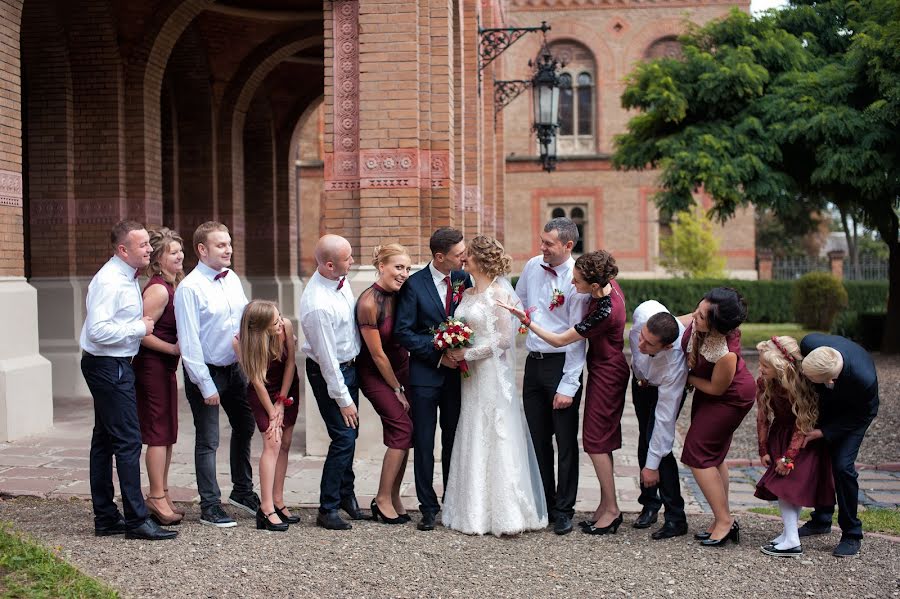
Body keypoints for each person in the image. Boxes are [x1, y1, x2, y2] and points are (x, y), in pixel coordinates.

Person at [503, 250, 629, 536]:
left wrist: (527, 322)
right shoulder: (605, 286)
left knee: (593, 441)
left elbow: (563, 340)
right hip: (590, 368)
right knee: (571, 440)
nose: (573, 285)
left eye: (578, 281)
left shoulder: (604, 310)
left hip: (606, 373)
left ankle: (606, 509)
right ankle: (600, 506)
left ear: (594, 286)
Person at [442, 235, 547, 536]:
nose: (464, 258)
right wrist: (452, 345)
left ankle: (505, 512)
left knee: (494, 431)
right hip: (470, 377)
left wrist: (468, 353)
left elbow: (503, 340)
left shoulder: (500, 294)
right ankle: (471, 509)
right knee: (473, 428)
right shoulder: (467, 292)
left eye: (469, 254)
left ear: (481, 259)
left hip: (489, 372)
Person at [80, 220, 177, 541]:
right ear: (123, 250)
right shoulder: (110, 282)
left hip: (113, 365)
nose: (150, 249)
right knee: (128, 441)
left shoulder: (124, 278)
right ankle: (137, 520)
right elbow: (96, 331)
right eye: (143, 245)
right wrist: (139, 328)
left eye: (149, 245)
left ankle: (107, 518)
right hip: (109, 367)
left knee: (105, 441)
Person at [175, 221, 258, 527]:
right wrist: (206, 385)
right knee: (208, 440)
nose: (228, 249)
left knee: (245, 426)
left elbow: (242, 322)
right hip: (206, 372)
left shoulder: (232, 278)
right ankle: (210, 504)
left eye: (229, 243)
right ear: (202, 249)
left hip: (235, 369)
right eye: (221, 245)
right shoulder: (189, 289)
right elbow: (189, 342)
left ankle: (242, 491)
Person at [514, 217, 587, 535]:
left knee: (566, 441)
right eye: (541, 241)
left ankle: (564, 509)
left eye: (548, 243)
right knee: (537, 438)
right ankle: (544, 501)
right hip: (534, 364)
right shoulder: (532, 266)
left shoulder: (577, 279)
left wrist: (569, 385)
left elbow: (576, 337)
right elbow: (520, 303)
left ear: (568, 246)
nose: (541, 247)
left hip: (562, 365)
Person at [394, 227, 469, 531]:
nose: (463, 258)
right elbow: (404, 331)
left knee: (454, 439)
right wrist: (439, 353)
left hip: (458, 379)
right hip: (425, 376)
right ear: (440, 257)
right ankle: (427, 507)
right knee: (425, 442)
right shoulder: (414, 285)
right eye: (458, 255)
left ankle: (452, 502)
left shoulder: (465, 280)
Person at [678, 287, 756, 547]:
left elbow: (716, 388)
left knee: (697, 454)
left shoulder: (726, 353)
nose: (694, 317)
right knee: (714, 456)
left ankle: (724, 520)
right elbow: (677, 323)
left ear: (716, 326)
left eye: (700, 317)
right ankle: (721, 518)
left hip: (730, 397)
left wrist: (685, 377)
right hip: (709, 389)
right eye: (697, 310)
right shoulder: (702, 319)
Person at [300, 234, 366, 531]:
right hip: (330, 374)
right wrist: (343, 399)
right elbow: (326, 360)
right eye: (348, 259)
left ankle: (346, 495)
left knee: (351, 433)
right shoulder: (317, 304)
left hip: (350, 368)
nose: (352, 262)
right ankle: (327, 508)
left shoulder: (340, 280)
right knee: (343, 437)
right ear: (329, 265)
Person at [797, 333, 879, 557]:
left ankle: (852, 533)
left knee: (842, 467)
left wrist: (825, 431)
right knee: (820, 459)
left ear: (830, 380)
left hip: (856, 415)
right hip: (829, 404)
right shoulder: (810, 343)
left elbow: (864, 414)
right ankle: (821, 519)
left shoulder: (863, 380)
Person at [754, 336, 835, 557]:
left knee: (787, 487)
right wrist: (763, 448)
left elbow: (804, 423)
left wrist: (790, 457)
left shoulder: (800, 384)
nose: (760, 369)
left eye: (765, 365)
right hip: (779, 436)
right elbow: (762, 417)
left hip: (802, 441)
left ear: (781, 365)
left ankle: (792, 540)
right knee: (786, 489)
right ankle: (789, 534)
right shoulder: (764, 383)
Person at [356, 245, 413, 525]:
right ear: (381, 266)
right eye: (398, 267)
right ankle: (380, 498)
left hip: (403, 368)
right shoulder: (369, 302)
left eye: (407, 268)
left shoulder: (402, 294)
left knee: (408, 432)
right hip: (376, 374)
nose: (403, 274)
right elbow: (377, 355)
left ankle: (394, 495)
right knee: (401, 428)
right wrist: (397, 389)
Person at [133, 227, 185, 526]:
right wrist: (173, 348)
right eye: (172, 252)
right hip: (151, 366)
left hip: (165, 366)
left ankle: (163, 492)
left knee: (168, 432)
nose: (179, 256)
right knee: (157, 432)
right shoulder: (157, 290)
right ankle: (154, 496)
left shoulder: (172, 285)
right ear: (158, 260)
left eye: (180, 251)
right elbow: (141, 334)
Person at [234, 300, 300, 532]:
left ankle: (279, 500)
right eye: (275, 322)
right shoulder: (241, 342)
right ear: (259, 327)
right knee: (273, 442)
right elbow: (257, 380)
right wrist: (272, 413)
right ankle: (266, 508)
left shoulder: (287, 327)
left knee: (285, 443)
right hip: (262, 392)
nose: (281, 322)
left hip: (287, 385)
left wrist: (281, 402)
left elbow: (291, 363)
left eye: (280, 316)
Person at [629, 301, 689, 540]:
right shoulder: (644, 313)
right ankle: (649, 504)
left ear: (667, 346)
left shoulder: (675, 364)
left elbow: (665, 421)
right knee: (645, 438)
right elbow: (638, 346)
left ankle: (676, 517)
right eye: (641, 337)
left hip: (664, 387)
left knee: (659, 448)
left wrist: (651, 466)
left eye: (649, 343)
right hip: (640, 381)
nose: (640, 344)